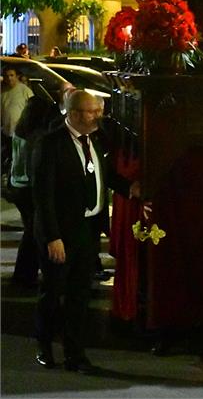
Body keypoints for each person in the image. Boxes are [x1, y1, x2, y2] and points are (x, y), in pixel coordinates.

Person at [32, 89, 140, 372]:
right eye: (93, 112)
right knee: (53, 293)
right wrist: (53, 237)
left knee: (80, 295)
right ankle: (44, 345)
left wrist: (130, 189)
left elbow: (104, 173)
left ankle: (75, 353)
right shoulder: (50, 144)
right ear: (75, 113)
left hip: (88, 229)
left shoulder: (96, 139)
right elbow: (43, 197)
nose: (98, 116)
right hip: (61, 233)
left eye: (98, 111)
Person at [9, 97, 60, 287]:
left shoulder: (21, 130)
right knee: (33, 232)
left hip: (18, 184)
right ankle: (24, 273)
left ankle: (24, 273)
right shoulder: (38, 135)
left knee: (30, 231)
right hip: (29, 187)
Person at [1, 66, 34, 173]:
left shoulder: (25, 91)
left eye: (12, 75)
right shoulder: (2, 91)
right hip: (6, 131)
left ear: (17, 76)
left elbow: (32, 110)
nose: (9, 78)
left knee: (19, 159)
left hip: (21, 132)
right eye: (6, 76)